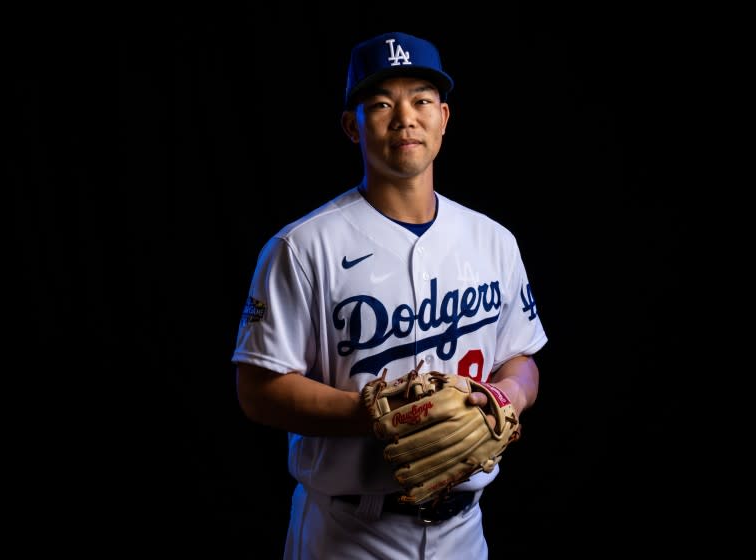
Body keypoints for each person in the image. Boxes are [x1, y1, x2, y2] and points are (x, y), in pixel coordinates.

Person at [232, 30, 547, 559]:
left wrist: (508, 396)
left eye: (421, 100)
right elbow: (256, 389)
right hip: (349, 532)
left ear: (444, 119)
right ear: (351, 128)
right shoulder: (302, 246)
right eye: (380, 103)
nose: (405, 117)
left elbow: (521, 357)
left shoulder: (494, 241)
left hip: (465, 532)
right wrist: (381, 415)